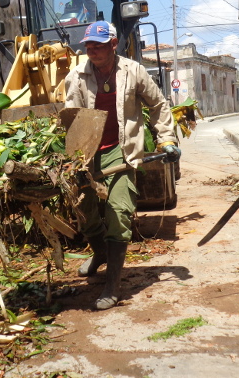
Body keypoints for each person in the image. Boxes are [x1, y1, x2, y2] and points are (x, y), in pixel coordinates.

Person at [64, 21, 180, 310]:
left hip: (121, 150)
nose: (92, 51)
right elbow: (71, 118)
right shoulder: (76, 76)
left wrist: (165, 138)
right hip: (86, 153)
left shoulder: (133, 71)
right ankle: (100, 253)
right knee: (84, 209)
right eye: (88, 46)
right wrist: (71, 159)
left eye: (98, 46)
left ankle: (112, 284)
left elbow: (158, 105)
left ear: (113, 44)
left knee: (118, 211)